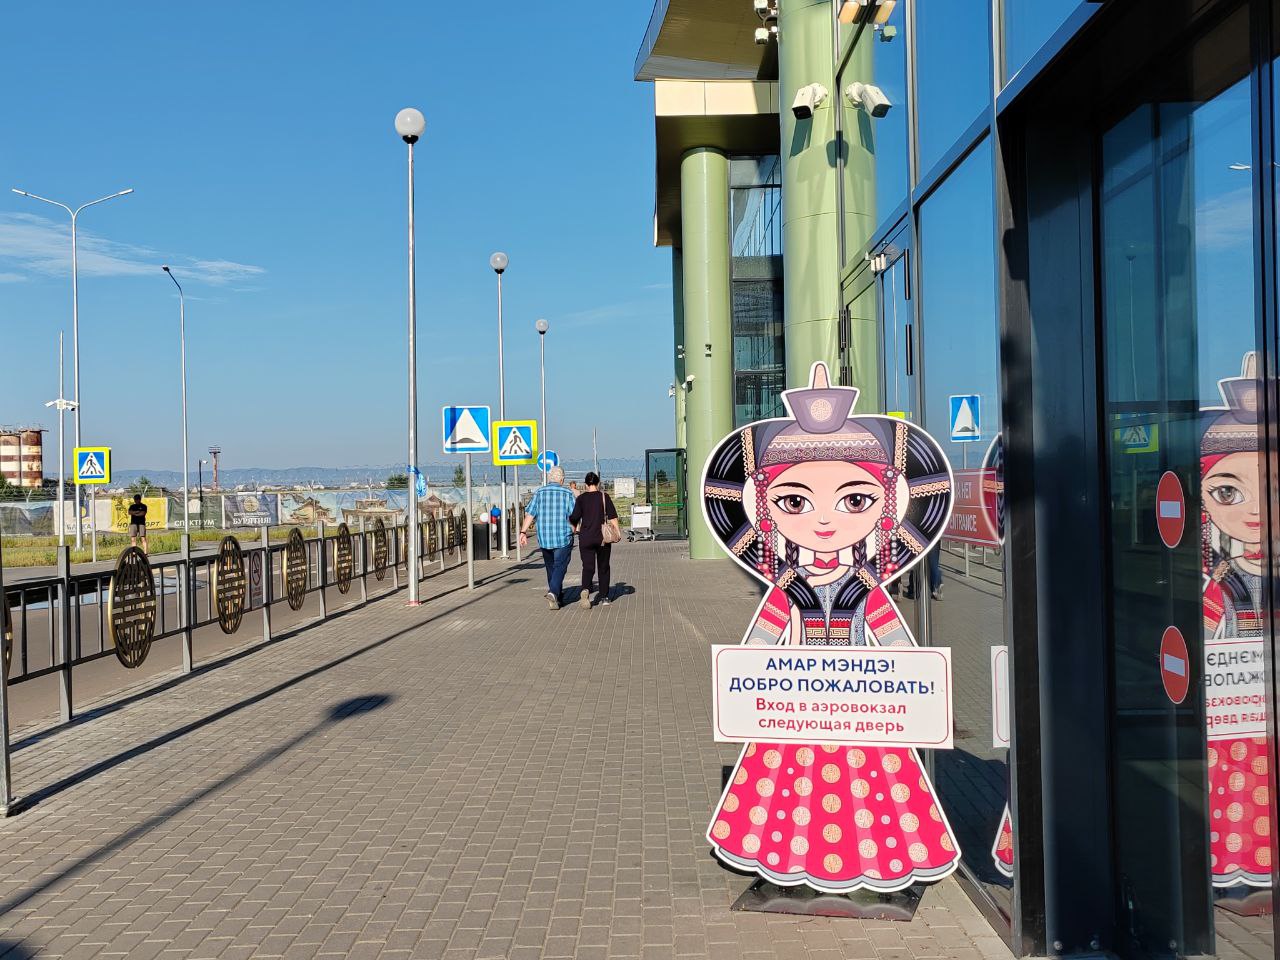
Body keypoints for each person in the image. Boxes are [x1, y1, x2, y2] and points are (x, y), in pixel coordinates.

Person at [701, 362, 961, 893]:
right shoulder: (788, 586)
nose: (823, 520)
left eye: (855, 501)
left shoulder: (865, 586)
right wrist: (745, 689)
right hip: (797, 709)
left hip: (862, 710)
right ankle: (794, 861)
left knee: (874, 794)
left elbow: (896, 644)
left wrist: (922, 692)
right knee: (788, 793)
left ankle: (868, 864)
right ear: (767, 509)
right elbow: (757, 647)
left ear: (885, 506)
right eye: (795, 502)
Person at [519, 466, 576, 610]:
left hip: (544, 537)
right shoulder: (567, 493)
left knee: (551, 567)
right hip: (563, 537)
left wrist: (523, 532)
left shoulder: (539, 492)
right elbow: (573, 515)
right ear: (562, 479)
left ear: (550, 478)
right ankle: (553, 591)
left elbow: (530, 514)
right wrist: (575, 528)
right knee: (560, 566)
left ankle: (557, 597)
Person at [569, 472, 620, 607]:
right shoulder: (604, 496)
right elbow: (613, 516)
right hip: (602, 538)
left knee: (588, 567)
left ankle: (585, 589)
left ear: (586, 484)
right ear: (598, 483)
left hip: (585, 538)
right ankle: (604, 597)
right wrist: (618, 532)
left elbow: (574, 517)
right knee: (603, 567)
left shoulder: (581, 499)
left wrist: (573, 529)